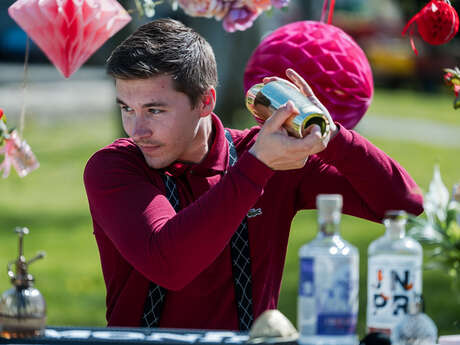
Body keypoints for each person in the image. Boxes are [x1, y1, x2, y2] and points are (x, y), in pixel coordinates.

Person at [83, 18, 423, 331]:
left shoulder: (269, 156)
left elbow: (404, 206)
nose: (137, 130)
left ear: (205, 101)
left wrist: (330, 136)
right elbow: (170, 264)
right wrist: (257, 167)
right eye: (127, 109)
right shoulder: (114, 167)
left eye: (155, 110)